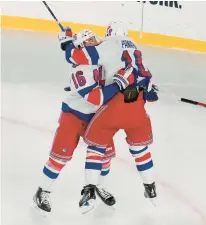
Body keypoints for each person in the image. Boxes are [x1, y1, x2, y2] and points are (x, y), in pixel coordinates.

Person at [32, 27, 136, 215]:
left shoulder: (98, 57)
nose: (97, 42)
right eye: (91, 41)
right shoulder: (81, 70)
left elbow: (122, 63)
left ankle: (97, 186)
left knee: (105, 156)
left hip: (98, 117)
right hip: (74, 116)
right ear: (83, 46)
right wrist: (120, 83)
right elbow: (97, 98)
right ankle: (42, 190)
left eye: (95, 38)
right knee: (59, 157)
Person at [74, 21, 159, 212]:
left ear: (109, 33)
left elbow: (81, 57)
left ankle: (89, 192)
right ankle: (150, 187)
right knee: (140, 149)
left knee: (96, 146)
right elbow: (146, 76)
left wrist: (69, 45)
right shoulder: (135, 47)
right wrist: (150, 89)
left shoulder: (107, 45)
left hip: (115, 104)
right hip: (136, 105)